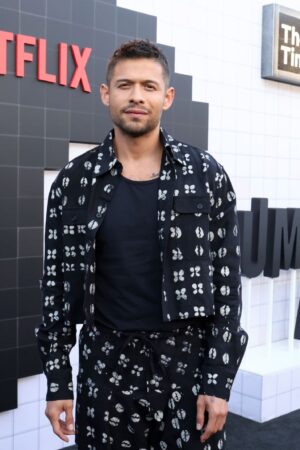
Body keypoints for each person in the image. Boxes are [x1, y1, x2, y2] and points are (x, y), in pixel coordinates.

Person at [36, 39, 248, 450]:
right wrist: (58, 380)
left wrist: (218, 381)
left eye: (149, 86)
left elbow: (228, 287)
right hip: (105, 369)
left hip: (186, 366)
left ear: (167, 97)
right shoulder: (74, 182)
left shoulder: (205, 174)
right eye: (125, 85)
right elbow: (56, 289)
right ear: (105, 94)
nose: (136, 96)